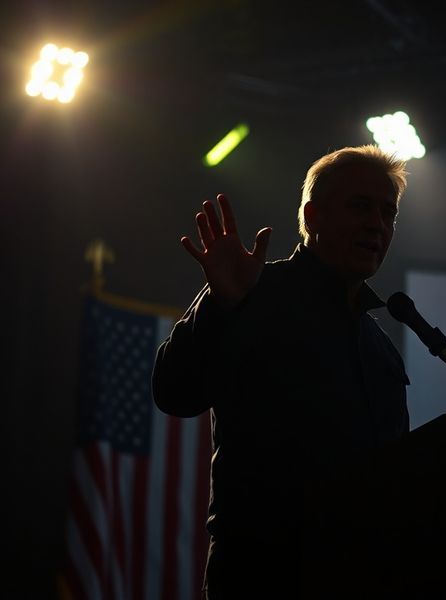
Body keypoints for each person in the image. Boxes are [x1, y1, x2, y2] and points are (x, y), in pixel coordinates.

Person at [151, 145, 412, 598]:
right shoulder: (251, 290)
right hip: (264, 574)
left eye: (388, 214)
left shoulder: (381, 350)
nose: (377, 225)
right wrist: (223, 306)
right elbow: (175, 392)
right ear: (312, 216)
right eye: (360, 207)